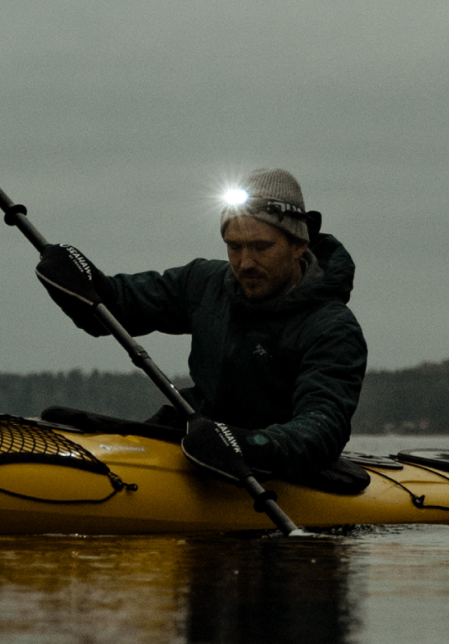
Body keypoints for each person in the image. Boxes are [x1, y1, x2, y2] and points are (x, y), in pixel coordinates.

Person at [34, 168, 367, 488]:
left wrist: (254, 445)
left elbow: (322, 426)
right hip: (195, 440)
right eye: (234, 246)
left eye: (261, 247)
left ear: (299, 245)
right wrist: (83, 283)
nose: (245, 263)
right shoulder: (205, 283)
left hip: (269, 467)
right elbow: (118, 307)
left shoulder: (333, 329)